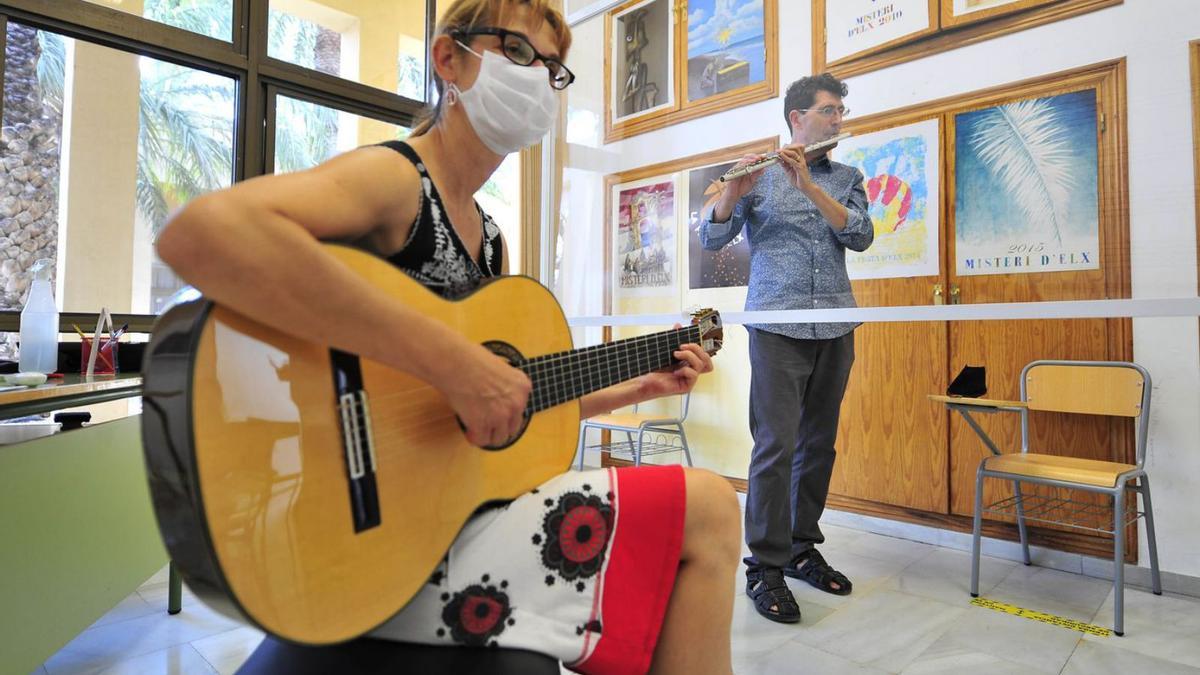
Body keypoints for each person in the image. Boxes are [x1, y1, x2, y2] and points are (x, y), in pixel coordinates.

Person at [156, 1, 740, 672]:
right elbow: (200, 234)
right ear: (448, 58)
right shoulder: (399, 178)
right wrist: (454, 363)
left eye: (553, 70)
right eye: (520, 53)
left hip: (438, 530)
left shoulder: (489, 240)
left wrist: (634, 385)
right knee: (712, 505)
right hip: (365, 544)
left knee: (696, 511)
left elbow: (497, 416)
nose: (540, 80)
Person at [699, 73, 873, 624]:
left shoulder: (846, 176)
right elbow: (710, 238)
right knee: (775, 446)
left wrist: (811, 189)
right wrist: (732, 191)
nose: (838, 120)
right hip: (776, 328)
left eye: (841, 111)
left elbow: (861, 235)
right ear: (797, 118)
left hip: (835, 327)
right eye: (828, 111)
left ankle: (801, 548)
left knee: (819, 444)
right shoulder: (760, 176)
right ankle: (765, 568)